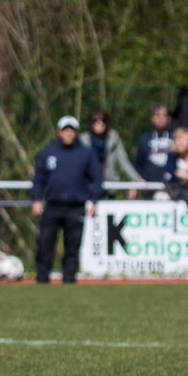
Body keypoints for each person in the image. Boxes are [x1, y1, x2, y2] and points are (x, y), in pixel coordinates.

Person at [31, 116, 102, 284]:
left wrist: (93, 200)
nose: (68, 133)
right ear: (59, 131)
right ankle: (42, 278)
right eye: (65, 130)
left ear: (76, 132)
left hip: (75, 206)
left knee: (72, 246)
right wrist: (36, 199)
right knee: (45, 243)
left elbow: (97, 178)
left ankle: (69, 279)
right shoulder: (49, 151)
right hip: (52, 205)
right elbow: (39, 177)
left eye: (71, 130)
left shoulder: (86, 153)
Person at [78, 109, 139, 199]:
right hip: (88, 187)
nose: (100, 123)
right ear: (91, 123)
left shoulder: (113, 138)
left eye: (103, 121)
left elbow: (124, 161)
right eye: (96, 121)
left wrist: (137, 179)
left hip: (109, 185)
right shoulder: (82, 140)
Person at [133, 104, 174, 195]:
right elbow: (138, 164)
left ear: (168, 119)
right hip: (149, 188)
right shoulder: (144, 139)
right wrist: (135, 183)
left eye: (163, 115)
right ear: (152, 118)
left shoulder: (176, 137)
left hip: (171, 189)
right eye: (157, 115)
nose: (160, 119)